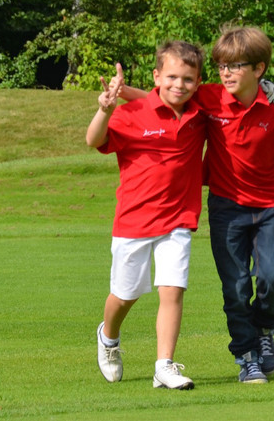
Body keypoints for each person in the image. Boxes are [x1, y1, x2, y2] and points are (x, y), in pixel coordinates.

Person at [118, 26, 274, 384]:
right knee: (236, 287)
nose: (226, 73)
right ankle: (247, 357)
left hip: (268, 207)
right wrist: (122, 92)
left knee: (272, 278)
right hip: (225, 207)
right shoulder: (209, 97)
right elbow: (165, 96)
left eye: (236, 66)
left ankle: (264, 330)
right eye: (222, 66)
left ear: (259, 69)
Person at [86, 41, 207, 390]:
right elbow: (93, 140)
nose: (179, 85)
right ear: (157, 76)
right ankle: (108, 337)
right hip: (134, 220)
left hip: (179, 218)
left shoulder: (199, 113)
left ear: (198, 82)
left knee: (173, 289)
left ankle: (164, 366)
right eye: (171, 77)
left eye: (187, 79)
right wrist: (107, 108)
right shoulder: (130, 114)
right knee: (125, 295)